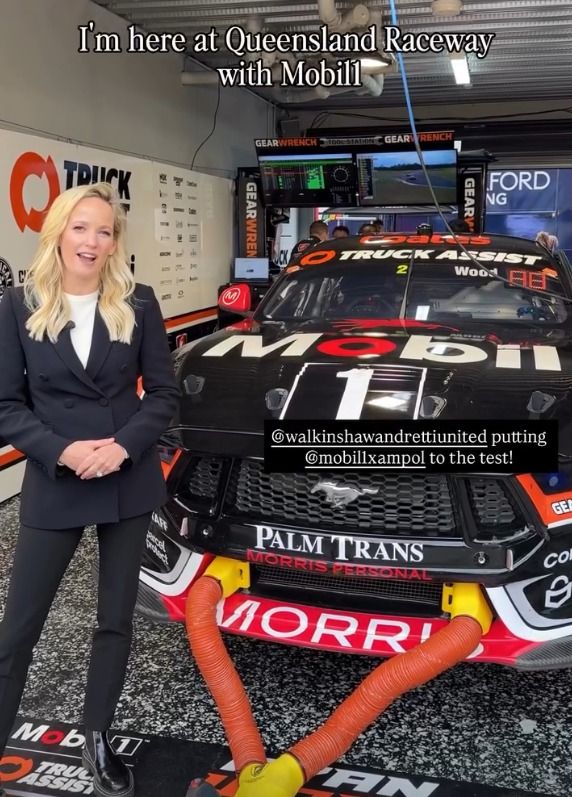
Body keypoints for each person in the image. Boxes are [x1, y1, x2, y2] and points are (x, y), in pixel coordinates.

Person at [0, 183, 179, 797]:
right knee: (18, 629)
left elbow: (163, 394)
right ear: (58, 233)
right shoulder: (18, 304)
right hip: (57, 478)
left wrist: (122, 447)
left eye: (104, 231)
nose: (92, 241)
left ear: (115, 241)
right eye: (81, 228)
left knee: (114, 620)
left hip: (127, 479)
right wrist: (64, 451)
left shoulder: (139, 300)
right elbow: (7, 405)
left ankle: (97, 737)